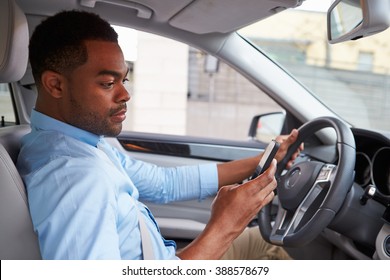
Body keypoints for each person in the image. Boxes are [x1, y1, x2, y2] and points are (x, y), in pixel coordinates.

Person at [17, 10, 302, 260]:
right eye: (107, 83)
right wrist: (224, 225)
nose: (125, 94)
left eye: (124, 79)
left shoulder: (82, 144)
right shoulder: (74, 175)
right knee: (276, 249)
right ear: (55, 85)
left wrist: (264, 159)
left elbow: (165, 183)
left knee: (266, 241)